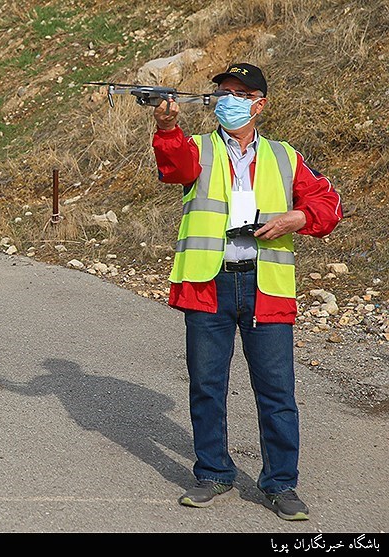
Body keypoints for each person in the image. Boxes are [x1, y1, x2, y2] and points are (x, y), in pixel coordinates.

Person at [152, 63, 342, 520]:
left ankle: (280, 484)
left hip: (266, 285)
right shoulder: (197, 147)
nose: (228, 100)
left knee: (277, 392)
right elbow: (173, 167)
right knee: (207, 386)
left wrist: (299, 218)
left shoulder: (283, 156)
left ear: (259, 104)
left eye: (239, 93)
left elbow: (328, 203)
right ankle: (213, 474)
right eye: (222, 93)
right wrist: (167, 126)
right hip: (208, 282)